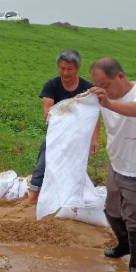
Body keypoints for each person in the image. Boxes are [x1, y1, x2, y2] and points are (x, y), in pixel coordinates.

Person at [90, 58, 136, 272]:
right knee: (111, 210)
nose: (104, 91)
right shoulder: (105, 97)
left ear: (120, 76)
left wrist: (108, 103)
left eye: (106, 85)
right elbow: (94, 117)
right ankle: (124, 245)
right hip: (117, 165)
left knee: (135, 219)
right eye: (99, 86)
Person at [27, 50, 99, 204]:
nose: (65, 72)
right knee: (44, 161)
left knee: (76, 166)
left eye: (70, 69)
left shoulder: (87, 88)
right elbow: (47, 111)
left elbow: (94, 116)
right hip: (56, 135)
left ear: (77, 68)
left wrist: (94, 139)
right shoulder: (51, 85)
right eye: (62, 68)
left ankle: (70, 198)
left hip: (79, 137)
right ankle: (33, 195)